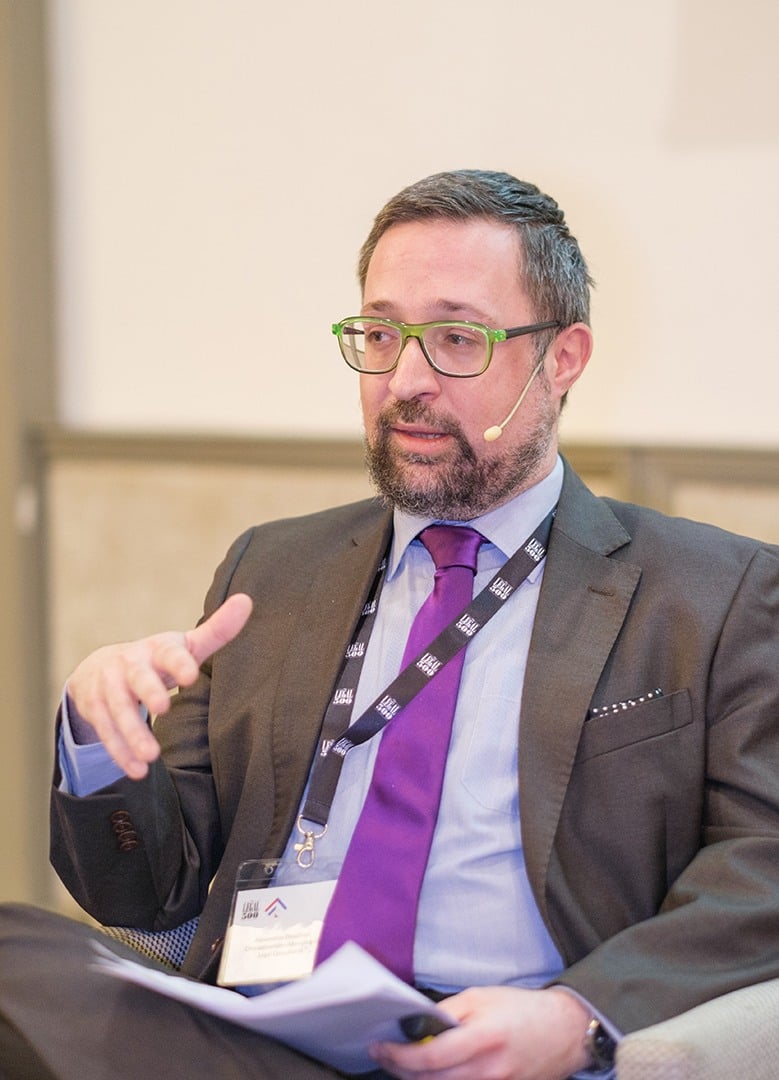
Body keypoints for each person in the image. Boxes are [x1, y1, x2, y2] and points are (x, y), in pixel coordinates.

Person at [1, 169, 778, 1080]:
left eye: (456, 339)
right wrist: (101, 744)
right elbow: (146, 896)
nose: (406, 381)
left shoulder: (710, 593)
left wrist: (577, 1017)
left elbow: (762, 863)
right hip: (259, 1026)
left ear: (561, 358)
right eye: (379, 335)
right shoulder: (273, 570)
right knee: (17, 951)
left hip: (493, 1043)